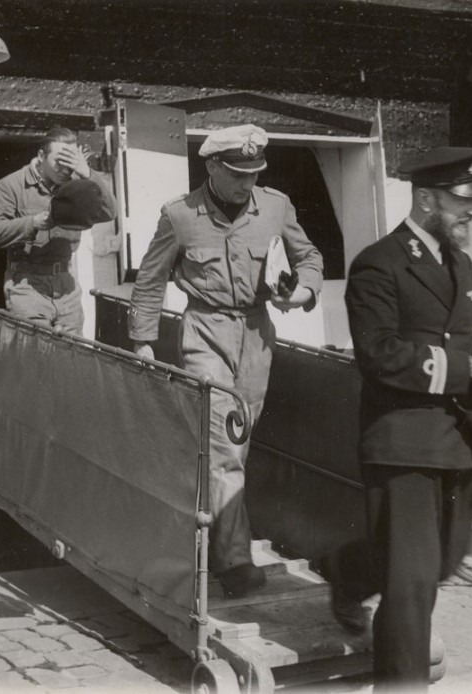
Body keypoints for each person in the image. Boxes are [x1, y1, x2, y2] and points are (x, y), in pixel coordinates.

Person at [338, 147, 472, 691]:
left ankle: (348, 570)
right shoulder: (378, 264)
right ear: (426, 198)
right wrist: (470, 368)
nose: (471, 211)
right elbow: (379, 354)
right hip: (403, 439)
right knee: (411, 585)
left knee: (445, 560)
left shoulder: (460, 262)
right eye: (459, 201)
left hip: (457, 436)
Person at [128, 124, 324, 598]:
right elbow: (150, 280)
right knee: (224, 444)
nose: (247, 183)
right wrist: (143, 341)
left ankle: (208, 533)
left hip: (257, 336)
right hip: (205, 331)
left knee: (238, 443)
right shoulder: (180, 215)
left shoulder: (275, 207)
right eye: (238, 174)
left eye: (255, 173)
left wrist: (302, 292)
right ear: (212, 167)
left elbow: (310, 257)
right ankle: (234, 561)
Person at [0, 126, 114, 333]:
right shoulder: (11, 185)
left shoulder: (77, 185)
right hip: (27, 285)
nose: (65, 170)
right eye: (59, 163)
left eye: (70, 163)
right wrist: (32, 223)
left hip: (67, 287)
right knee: (38, 355)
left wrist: (88, 173)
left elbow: (109, 212)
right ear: (41, 156)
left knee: (73, 355)